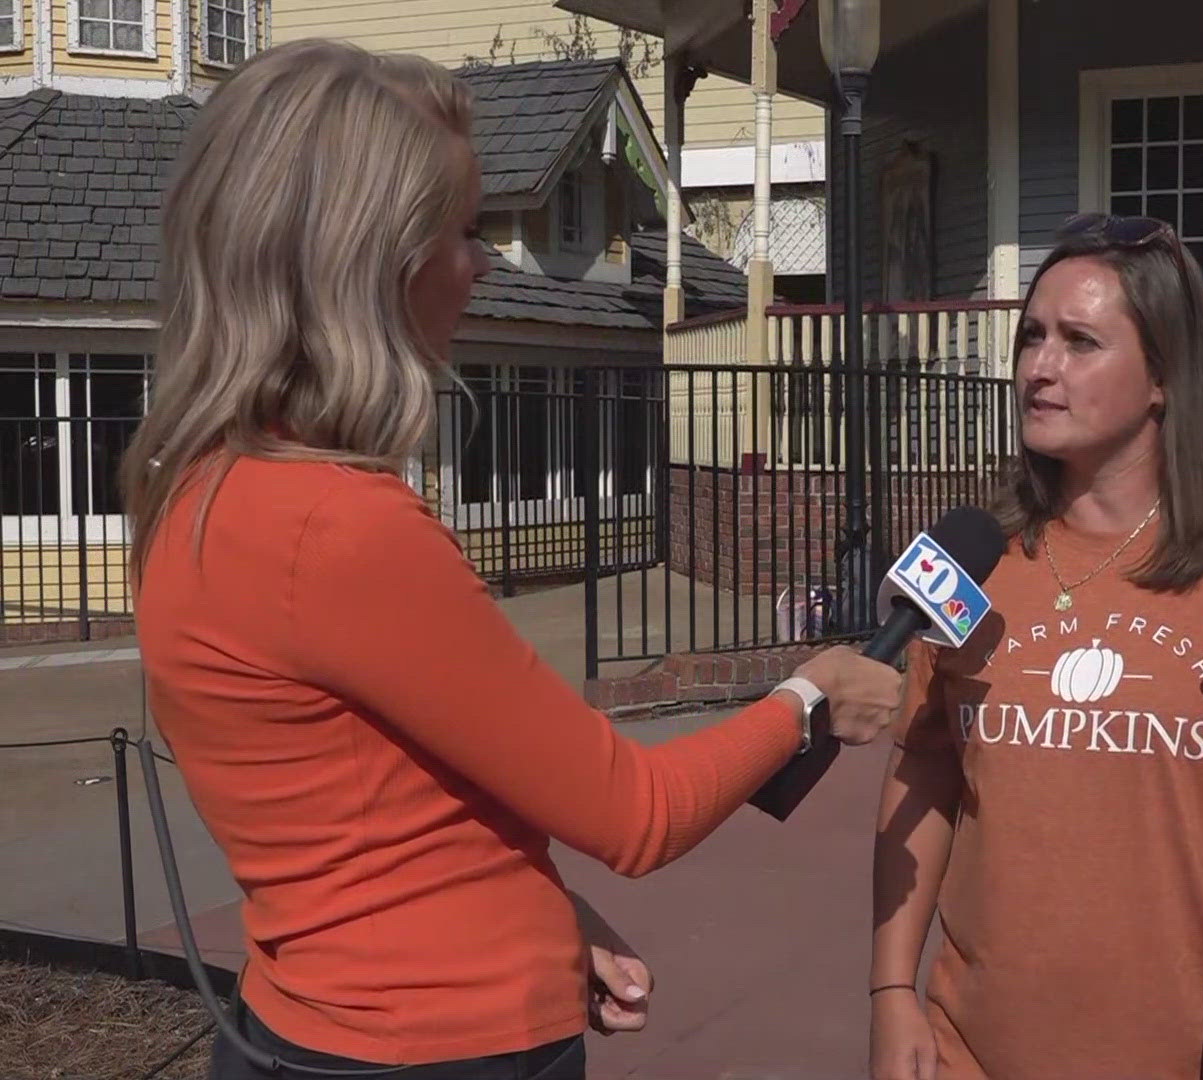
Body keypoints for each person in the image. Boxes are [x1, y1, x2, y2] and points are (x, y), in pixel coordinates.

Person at [125, 39, 902, 1079]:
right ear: (371, 265)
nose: (481, 261)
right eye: (462, 230)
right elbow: (634, 812)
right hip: (441, 1049)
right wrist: (809, 695)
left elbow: (380, 805)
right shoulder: (339, 527)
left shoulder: (197, 490)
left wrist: (544, 909)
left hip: (309, 1025)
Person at [867, 214, 1203, 1080]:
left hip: (1187, 1048)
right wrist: (891, 990)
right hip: (971, 1044)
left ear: (1163, 376)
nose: (1039, 368)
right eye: (1032, 338)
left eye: (1081, 342)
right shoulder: (974, 561)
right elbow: (926, 769)